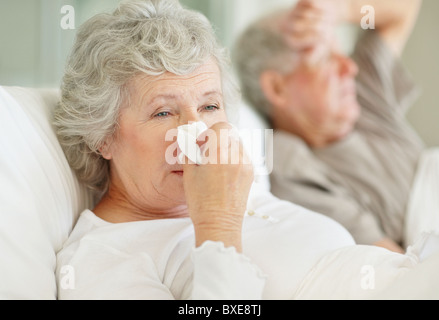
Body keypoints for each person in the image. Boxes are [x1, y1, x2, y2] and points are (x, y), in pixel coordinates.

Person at [54, 0, 439, 300]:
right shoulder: (102, 258)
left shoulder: (244, 185)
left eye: (209, 106)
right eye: (164, 112)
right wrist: (217, 224)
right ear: (101, 135)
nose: (199, 132)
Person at [233, 0, 426, 253]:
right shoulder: (290, 165)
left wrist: (340, 11)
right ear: (277, 88)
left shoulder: (364, 91)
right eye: (325, 58)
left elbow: (405, 8)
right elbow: (398, 266)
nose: (350, 68)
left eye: (341, 53)